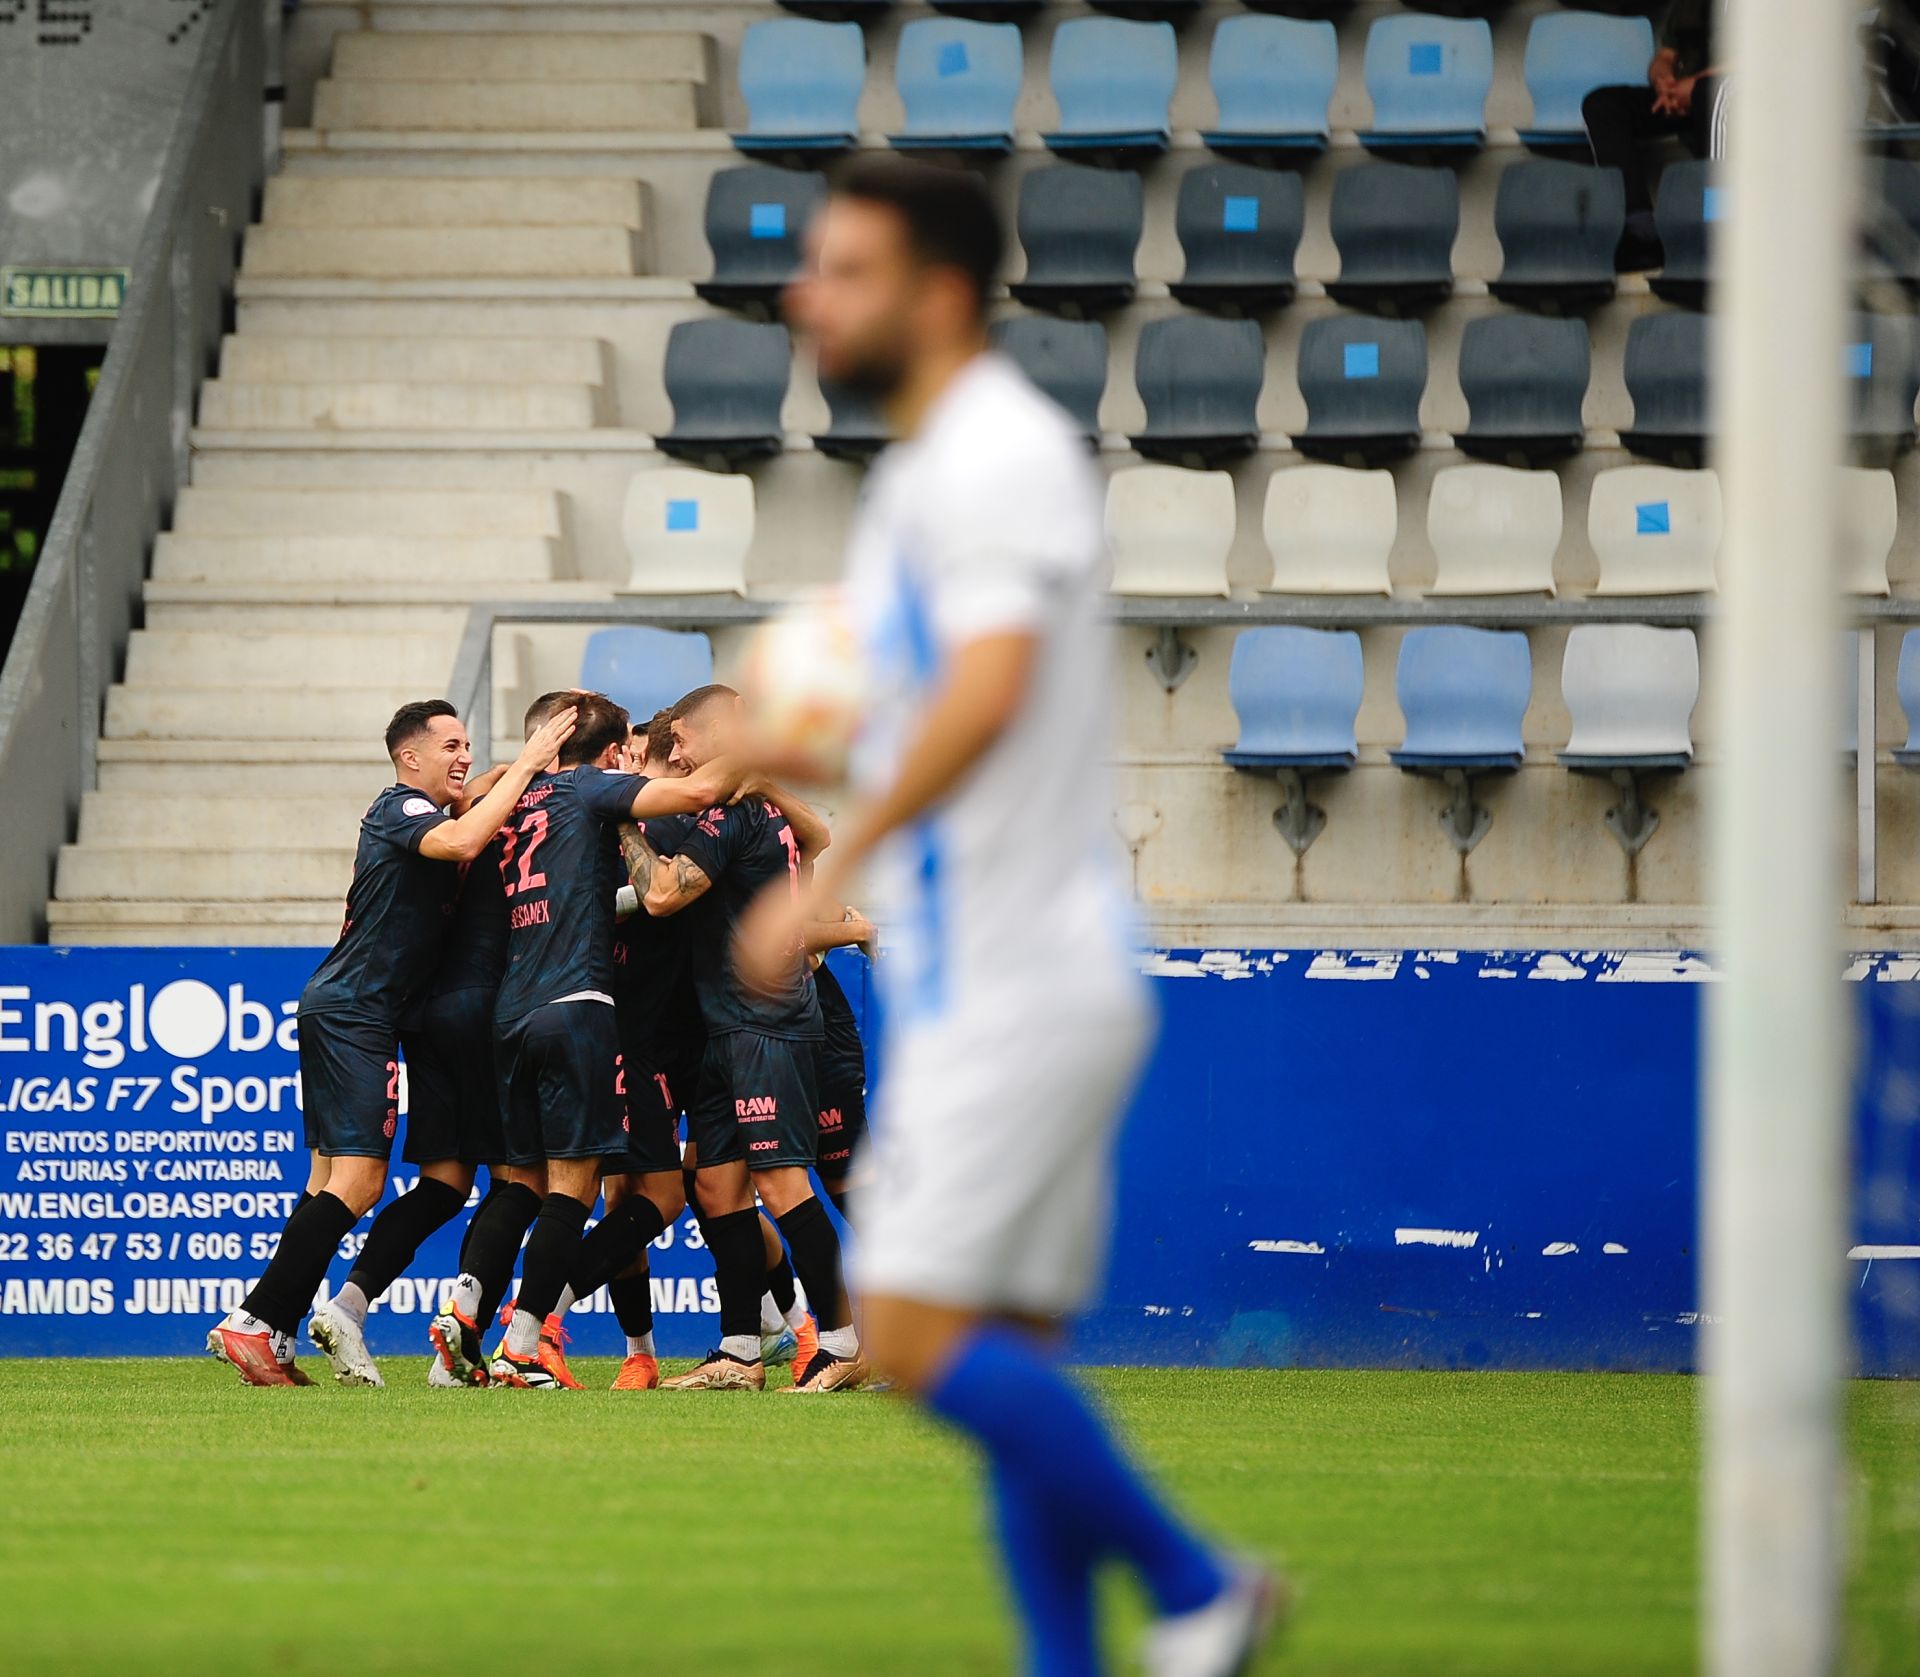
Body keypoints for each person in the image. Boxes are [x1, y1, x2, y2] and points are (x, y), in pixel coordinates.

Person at [736, 158, 1278, 1675]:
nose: (805, 295)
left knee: (903, 1336)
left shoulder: (993, 454)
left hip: (1019, 972)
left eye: (844, 268)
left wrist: (831, 869)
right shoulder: (923, 476)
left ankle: (1194, 1582)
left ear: (941, 291)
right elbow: (926, 706)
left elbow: (991, 686)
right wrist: (778, 746)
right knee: (1006, 1362)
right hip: (1011, 967)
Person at [207, 698, 576, 1386]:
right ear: (410, 757)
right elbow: (462, 842)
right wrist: (527, 763)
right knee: (359, 1180)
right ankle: (254, 1318)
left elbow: (476, 805)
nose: (463, 756)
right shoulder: (399, 808)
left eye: (468, 745)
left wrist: (511, 773)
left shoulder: (436, 808)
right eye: (451, 745)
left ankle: (273, 1335)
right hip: (357, 1013)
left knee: (325, 1182)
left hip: (348, 1009)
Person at [479, 689, 753, 1389]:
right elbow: (680, 832)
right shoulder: (601, 798)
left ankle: (499, 1319)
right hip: (593, 1016)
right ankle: (533, 1333)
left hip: (546, 1013)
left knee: (606, 1190)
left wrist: (529, 762)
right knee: (611, 1192)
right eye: (623, 748)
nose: (631, 756)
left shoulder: (531, 796)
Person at [625, 684, 864, 1393]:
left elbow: (663, 894)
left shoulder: (734, 816)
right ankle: (738, 1351)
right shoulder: (751, 805)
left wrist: (618, 822)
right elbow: (817, 835)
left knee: (782, 1180)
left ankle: (844, 1344)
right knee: (717, 1182)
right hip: (726, 1024)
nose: (678, 754)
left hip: (765, 1020)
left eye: (686, 743)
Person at [1580, 0, 1723, 271]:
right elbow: (1666, 56)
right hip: (1687, 95)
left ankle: (1714, 229)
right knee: (1603, 104)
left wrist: (1693, 85)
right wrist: (1663, 81)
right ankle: (1640, 229)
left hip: (1737, 98)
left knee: (1709, 94)